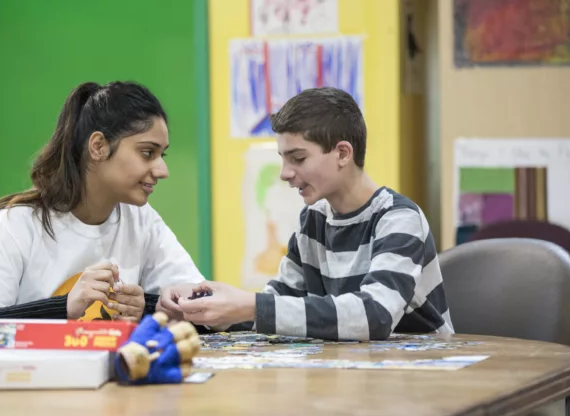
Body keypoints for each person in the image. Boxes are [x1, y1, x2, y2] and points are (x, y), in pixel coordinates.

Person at [159, 87, 455, 342]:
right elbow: (279, 306)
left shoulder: (399, 218)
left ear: (342, 154)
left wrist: (250, 306)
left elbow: (374, 316)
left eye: (298, 158)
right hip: (356, 375)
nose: (286, 174)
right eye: (283, 159)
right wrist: (207, 308)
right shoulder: (314, 220)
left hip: (418, 378)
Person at [0, 81, 205, 347]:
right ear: (98, 146)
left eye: (162, 155)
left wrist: (146, 308)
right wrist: (65, 308)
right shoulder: (16, 224)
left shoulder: (141, 220)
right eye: (147, 152)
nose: (162, 170)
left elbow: (204, 312)